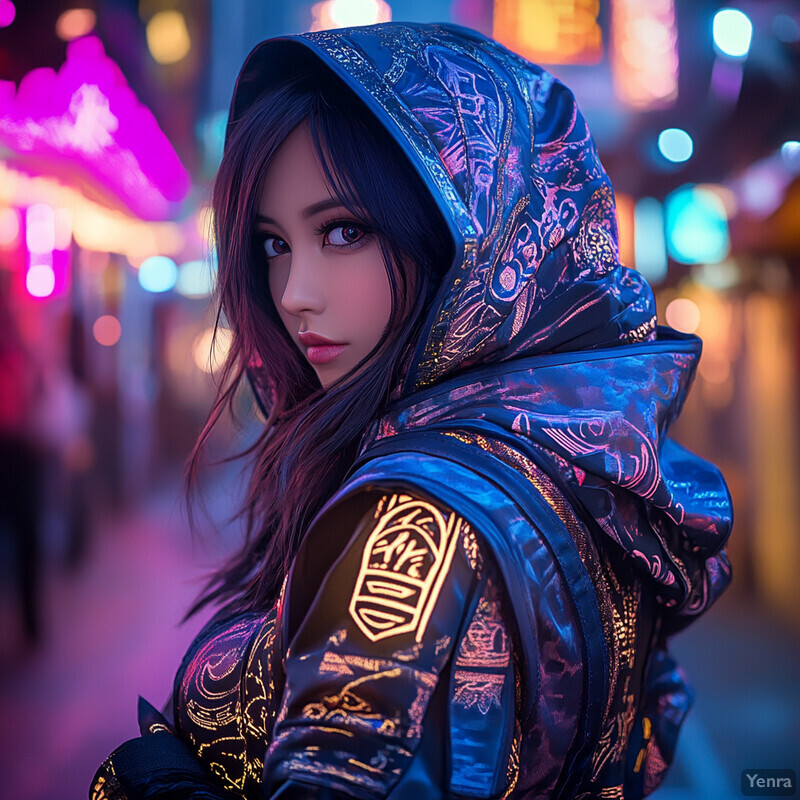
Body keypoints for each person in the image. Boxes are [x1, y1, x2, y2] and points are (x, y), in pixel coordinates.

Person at [90, 21, 733, 800]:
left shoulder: (414, 523)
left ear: (466, 234)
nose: (294, 294)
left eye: (343, 231)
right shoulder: (578, 461)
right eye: (271, 244)